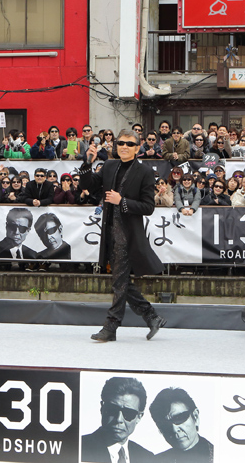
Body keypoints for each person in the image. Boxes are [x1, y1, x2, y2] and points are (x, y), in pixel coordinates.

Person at [79, 129, 166, 342]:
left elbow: (148, 206)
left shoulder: (145, 172)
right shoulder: (109, 166)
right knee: (122, 280)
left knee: (118, 282)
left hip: (128, 237)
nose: (124, 147)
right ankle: (151, 316)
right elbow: (87, 186)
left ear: (137, 148)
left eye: (129, 144)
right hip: (109, 233)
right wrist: (87, 164)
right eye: (121, 143)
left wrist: (122, 201)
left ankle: (111, 326)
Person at [81, 377, 153, 463]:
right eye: (112, 409)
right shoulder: (78, 448)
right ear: (102, 409)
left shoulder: (148, 458)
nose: (119, 419)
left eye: (128, 413)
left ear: (139, 417)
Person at [150, 387, 214, 463]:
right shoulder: (155, 461)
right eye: (165, 425)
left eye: (179, 418)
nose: (174, 429)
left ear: (195, 417)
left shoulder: (219, 454)